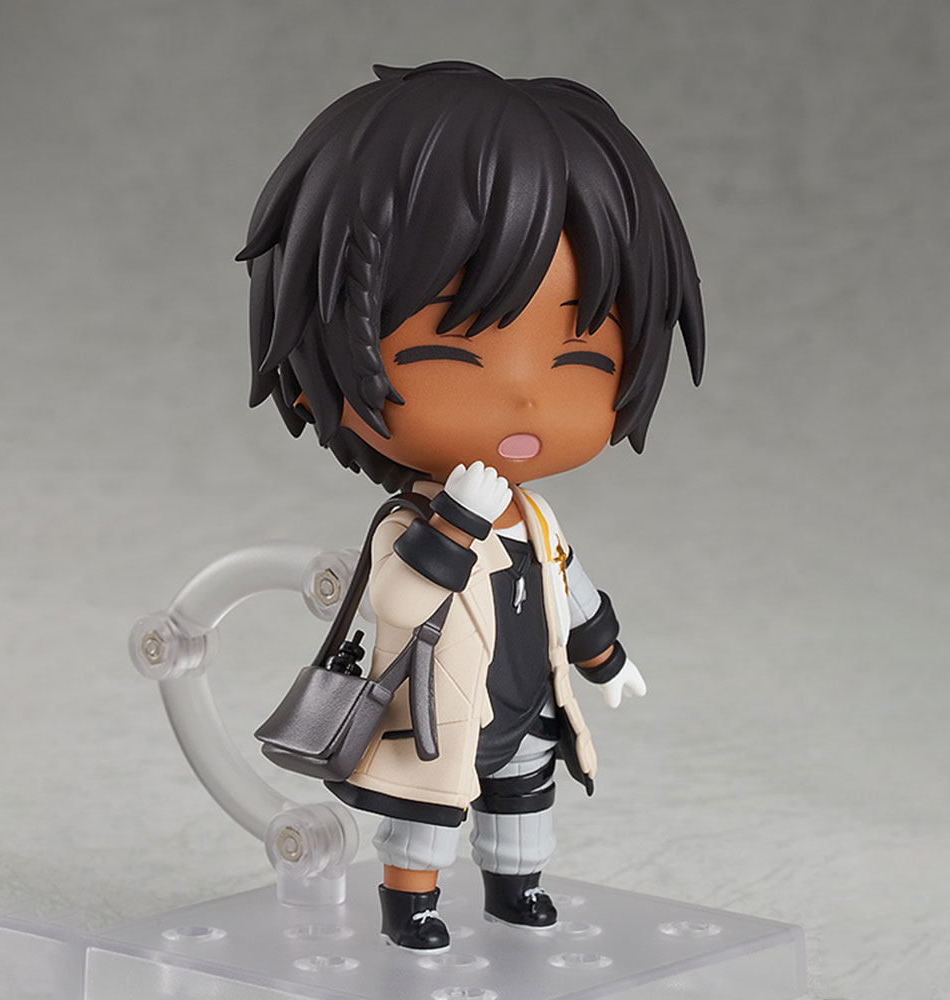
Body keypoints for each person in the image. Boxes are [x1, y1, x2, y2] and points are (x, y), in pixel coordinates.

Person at [238, 60, 704, 952]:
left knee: (525, 799)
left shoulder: (536, 520)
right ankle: (410, 905)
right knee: (424, 813)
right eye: (453, 353)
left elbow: (568, 588)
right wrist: (455, 522)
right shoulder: (410, 524)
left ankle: (516, 889)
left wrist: (606, 658)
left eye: (581, 356)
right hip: (437, 707)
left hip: (528, 701)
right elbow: (396, 600)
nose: (526, 396)